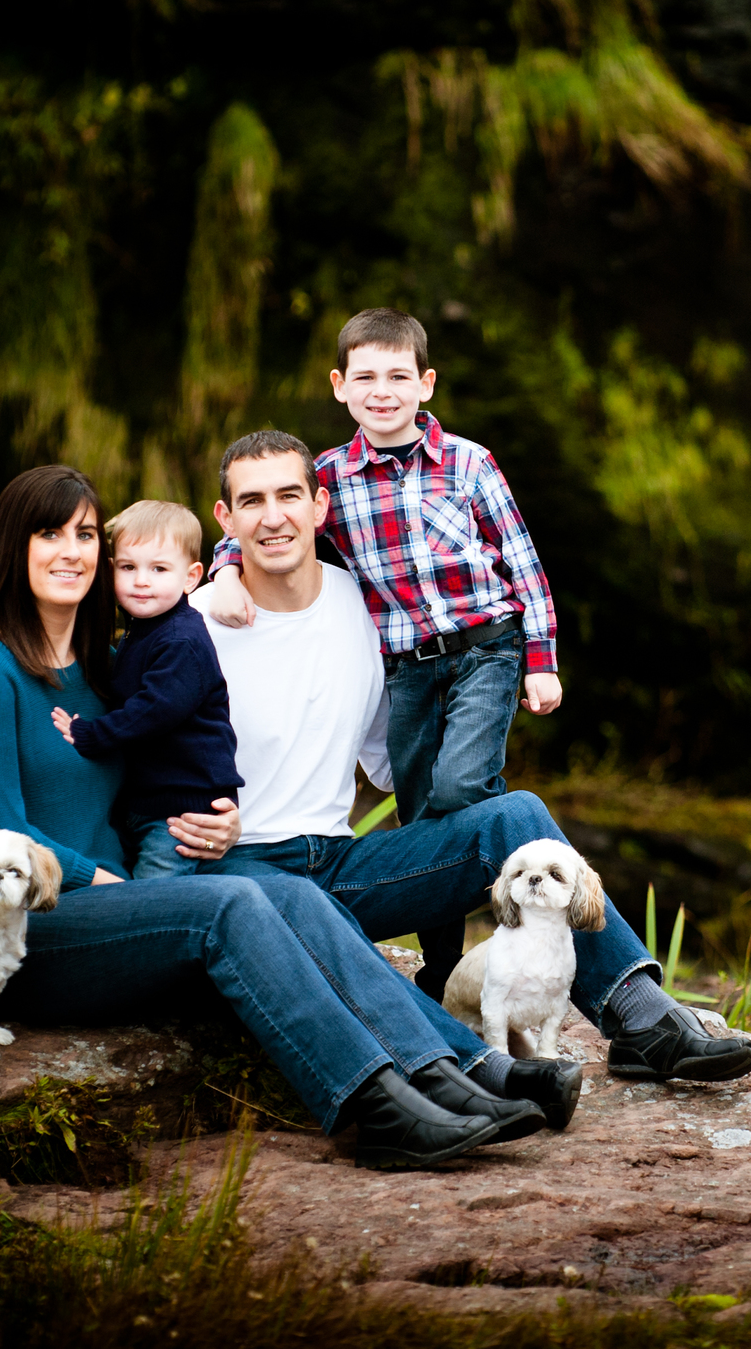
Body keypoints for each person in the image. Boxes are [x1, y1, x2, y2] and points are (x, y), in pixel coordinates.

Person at [0, 463, 547, 1167]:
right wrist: (103, 884)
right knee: (230, 905)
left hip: (126, 908)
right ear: (13, 546)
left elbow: (134, 795)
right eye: (49, 534)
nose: (72, 551)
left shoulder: (105, 667)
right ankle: (376, 1110)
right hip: (25, 933)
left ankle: (449, 1072)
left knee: (292, 894)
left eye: (86, 534)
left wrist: (207, 822)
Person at [195, 432, 751, 1094]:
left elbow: (388, 760)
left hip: (342, 867)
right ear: (224, 519)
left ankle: (640, 1018)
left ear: (322, 506)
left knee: (513, 816)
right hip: (243, 877)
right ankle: (488, 1071)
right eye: (251, 501)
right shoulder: (193, 624)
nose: (273, 516)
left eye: (289, 495)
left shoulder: (366, 609)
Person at [203, 307, 558, 1000]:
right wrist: (220, 572)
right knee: (418, 807)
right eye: (365, 376)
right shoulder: (329, 477)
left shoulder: (468, 461)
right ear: (339, 386)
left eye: (398, 376)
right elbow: (262, 522)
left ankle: (523, 921)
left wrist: (540, 660)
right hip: (409, 665)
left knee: (459, 792)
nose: (382, 390)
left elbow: (524, 564)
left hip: (486, 647)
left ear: (426, 383)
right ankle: (444, 965)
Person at [46, 498, 236, 881]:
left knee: (154, 896)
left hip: (182, 812)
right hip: (150, 801)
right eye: (129, 567)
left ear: (191, 577)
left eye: (159, 569)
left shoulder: (182, 640)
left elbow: (153, 711)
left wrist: (91, 734)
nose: (141, 580)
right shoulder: (144, 630)